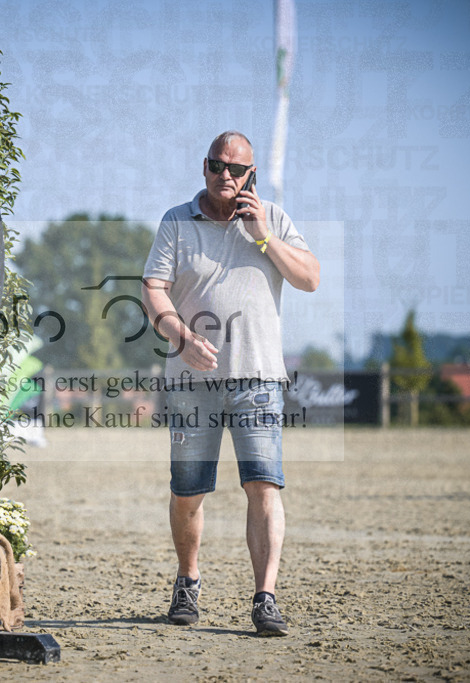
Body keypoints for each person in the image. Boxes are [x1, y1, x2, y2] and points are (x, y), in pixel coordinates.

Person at [141, 130, 319, 636]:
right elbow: (153, 287)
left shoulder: (276, 219)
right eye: (217, 165)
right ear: (204, 167)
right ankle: (188, 579)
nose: (226, 175)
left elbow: (309, 278)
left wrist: (264, 234)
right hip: (192, 381)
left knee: (264, 485)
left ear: (251, 176)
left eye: (236, 169)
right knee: (188, 493)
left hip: (258, 378)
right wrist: (179, 337)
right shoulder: (177, 221)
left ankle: (265, 597)